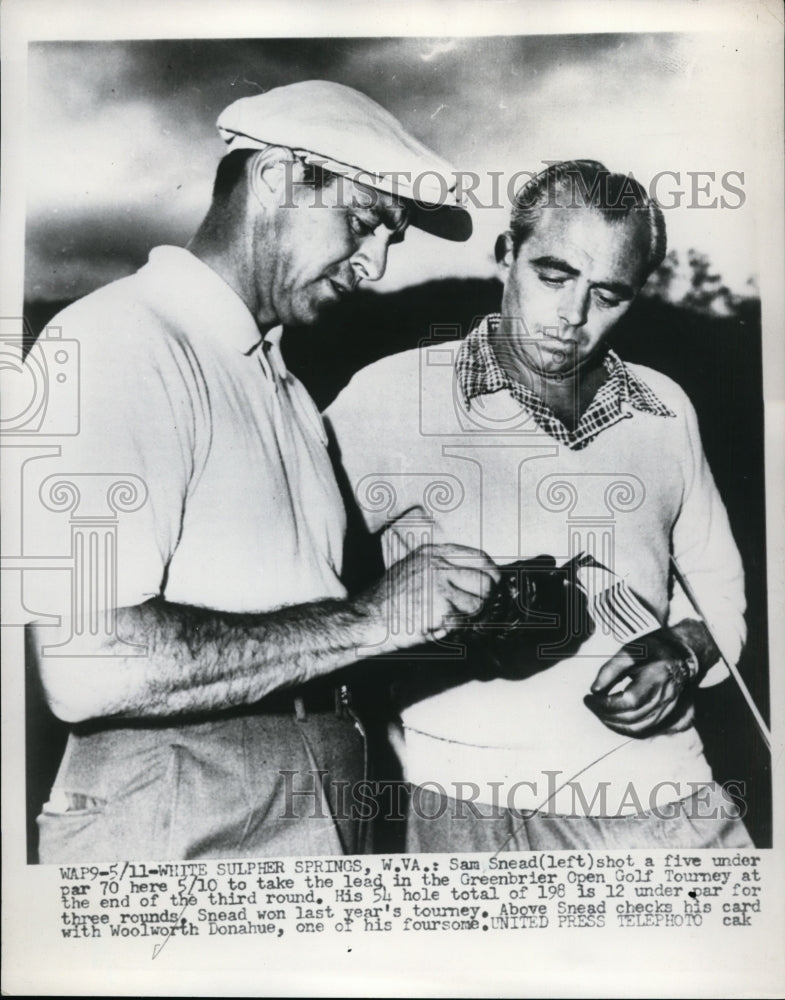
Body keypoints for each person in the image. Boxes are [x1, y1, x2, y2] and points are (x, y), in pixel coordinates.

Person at [28, 80, 500, 862]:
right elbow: (89, 662)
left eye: (393, 238)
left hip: (316, 784)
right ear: (277, 176)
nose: (375, 264)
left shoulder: (279, 384)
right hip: (182, 808)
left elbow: (291, 622)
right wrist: (371, 619)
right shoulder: (117, 342)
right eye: (362, 222)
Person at [325, 159, 753, 851]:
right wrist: (435, 620)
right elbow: (299, 587)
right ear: (505, 255)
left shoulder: (664, 407)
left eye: (608, 293)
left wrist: (680, 654)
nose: (572, 316)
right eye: (552, 277)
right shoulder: (388, 398)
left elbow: (717, 593)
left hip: (668, 798)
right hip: (467, 806)